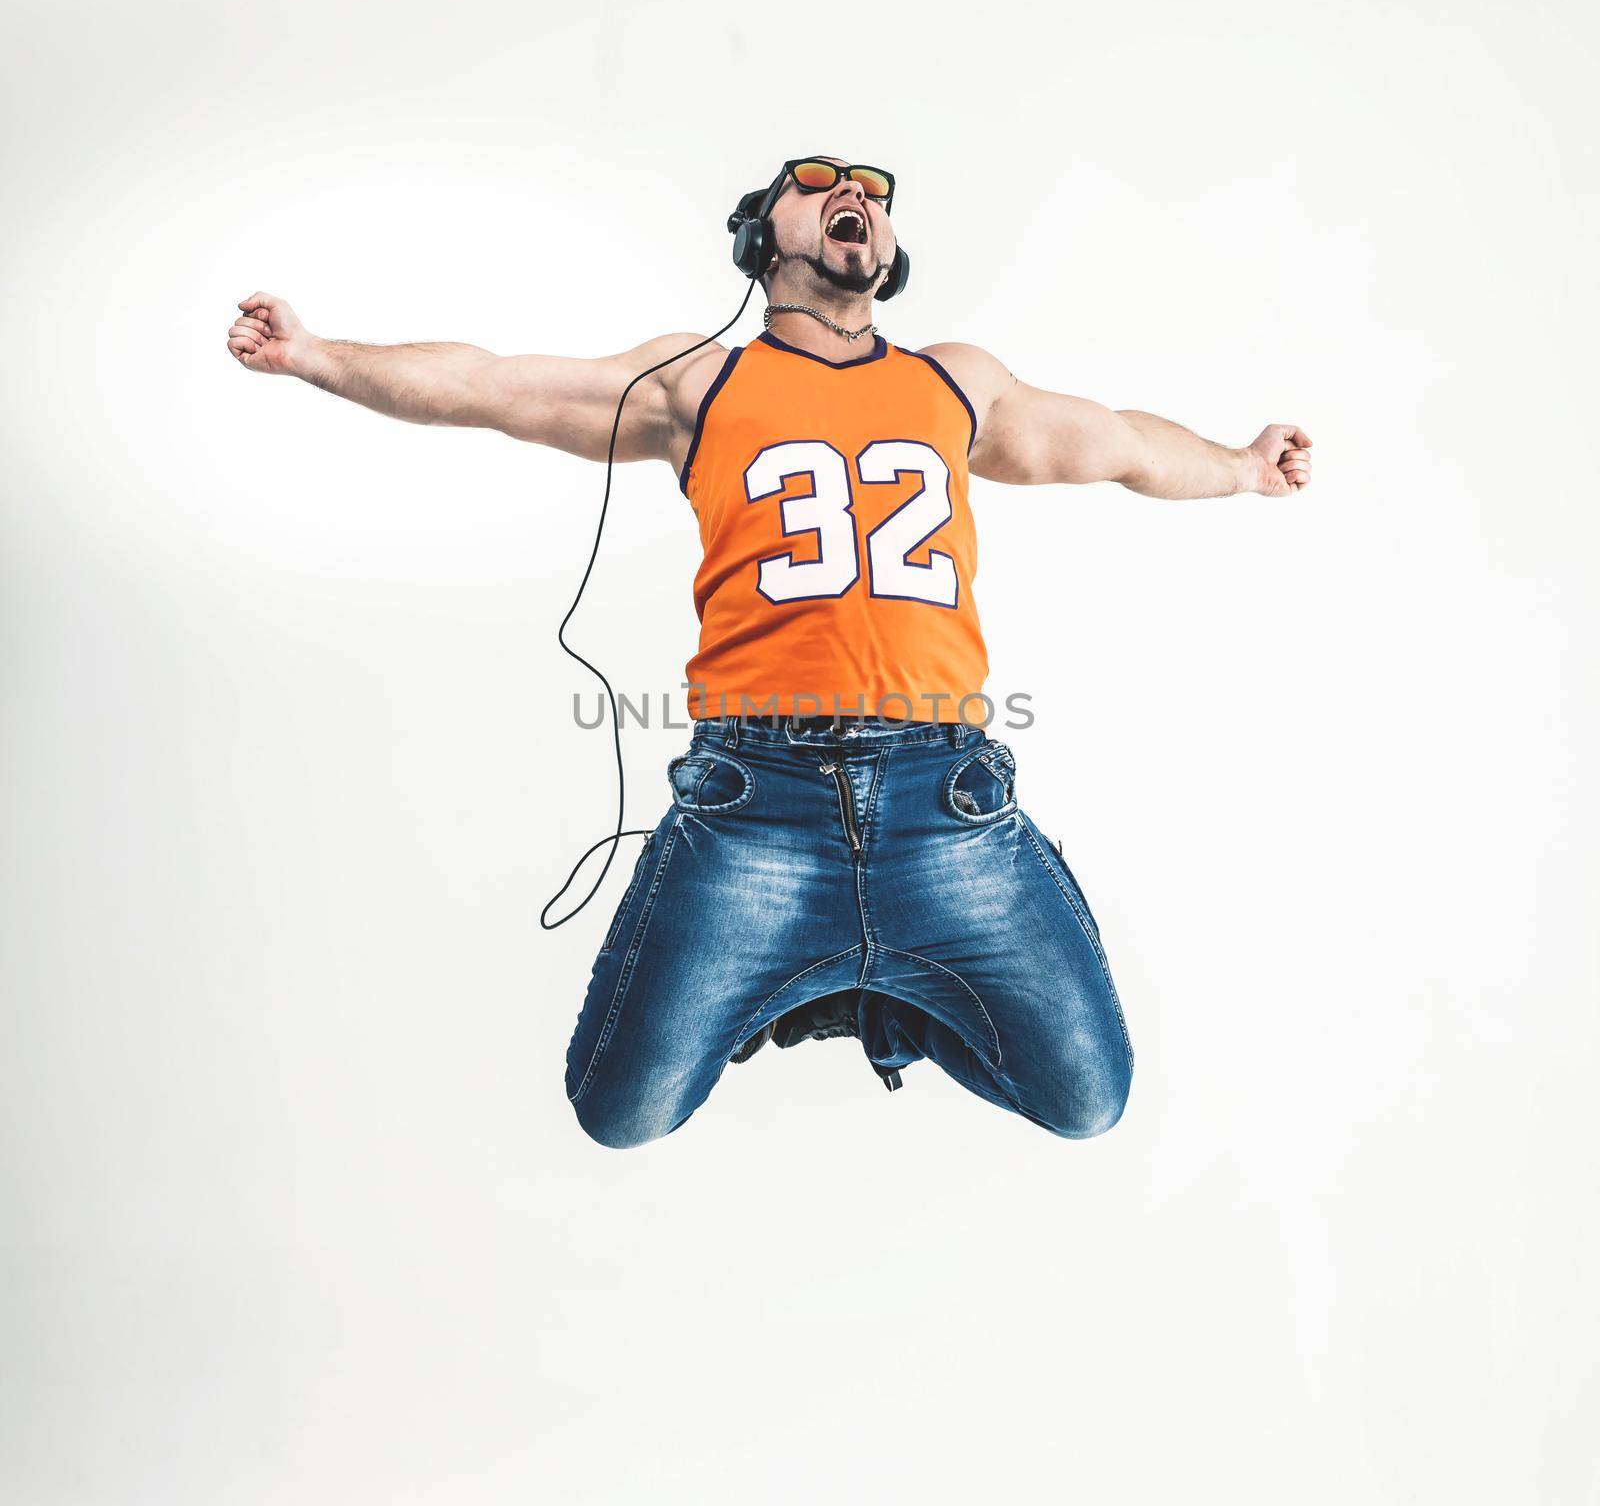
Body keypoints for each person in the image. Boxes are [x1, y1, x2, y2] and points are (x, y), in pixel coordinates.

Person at [226, 153, 1312, 1149]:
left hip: (948, 799)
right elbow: (490, 384)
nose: (860, 196)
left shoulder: (954, 383)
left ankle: (874, 994)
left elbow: (1116, 442)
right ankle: (837, 965)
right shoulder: (697, 382)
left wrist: (1239, 465)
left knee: (1087, 1098)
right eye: (821, 180)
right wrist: (315, 354)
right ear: (759, 235)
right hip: (759, 799)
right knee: (621, 1110)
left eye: (876, 193)